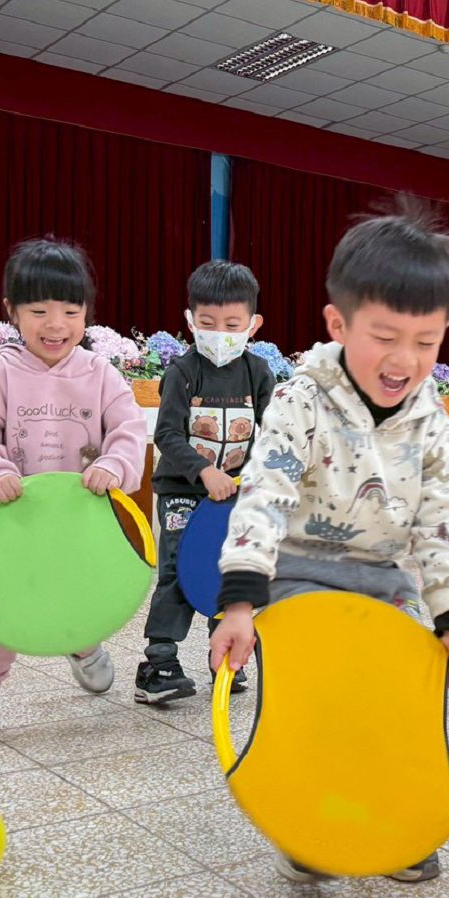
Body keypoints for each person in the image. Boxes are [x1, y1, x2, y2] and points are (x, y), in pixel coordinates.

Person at [209, 197, 449, 881]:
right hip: (299, 571)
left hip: (385, 578)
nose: (404, 360)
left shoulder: (430, 419)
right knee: (316, 701)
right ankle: (309, 824)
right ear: (338, 323)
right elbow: (263, 494)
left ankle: (397, 818)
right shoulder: (300, 399)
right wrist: (239, 603)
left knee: (403, 695)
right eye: (384, 336)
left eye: (426, 342)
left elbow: (442, 520)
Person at [0, 237, 146, 749]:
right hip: (16, 522)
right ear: (11, 311)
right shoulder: (1, 374)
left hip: (81, 523)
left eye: (71, 312)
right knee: (3, 607)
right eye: (39, 312)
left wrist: (115, 465)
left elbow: (129, 429)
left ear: (87, 313)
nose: (56, 325)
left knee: (76, 592)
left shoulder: (100, 373)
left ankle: (82, 642)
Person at [139, 261, 276, 704]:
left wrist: (258, 478)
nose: (219, 333)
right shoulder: (183, 372)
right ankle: (158, 662)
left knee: (227, 572)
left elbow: (273, 434)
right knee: (179, 570)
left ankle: (224, 655)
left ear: (253, 324)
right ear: (190, 320)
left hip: (234, 497)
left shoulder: (259, 373)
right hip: (183, 492)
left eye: (231, 325)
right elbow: (167, 435)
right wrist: (204, 471)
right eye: (207, 323)